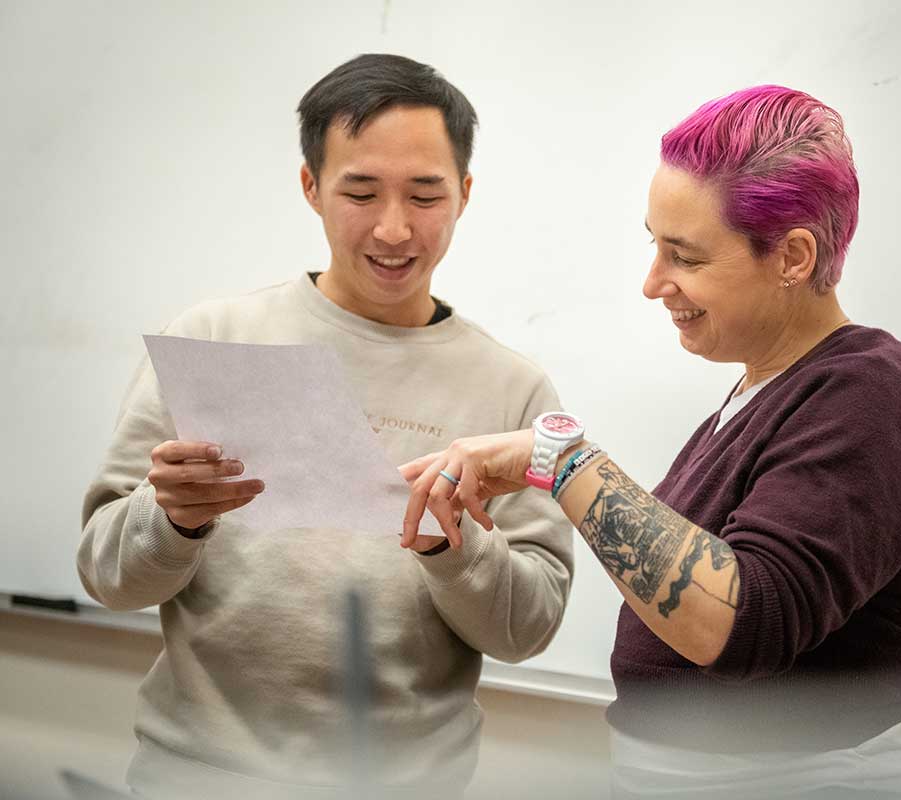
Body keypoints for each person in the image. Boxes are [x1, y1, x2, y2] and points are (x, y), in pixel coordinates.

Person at [401, 85, 901, 797]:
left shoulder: (870, 397)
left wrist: (564, 461)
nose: (653, 282)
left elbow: (735, 622)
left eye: (686, 257)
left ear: (793, 255)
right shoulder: (760, 399)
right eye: (654, 246)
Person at [77, 54, 573, 799]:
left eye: (427, 194)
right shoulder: (217, 337)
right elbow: (105, 575)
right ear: (310, 186)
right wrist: (173, 518)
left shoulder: (513, 388)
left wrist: (453, 544)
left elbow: (525, 630)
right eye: (361, 192)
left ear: (465, 195)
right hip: (195, 774)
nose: (394, 228)